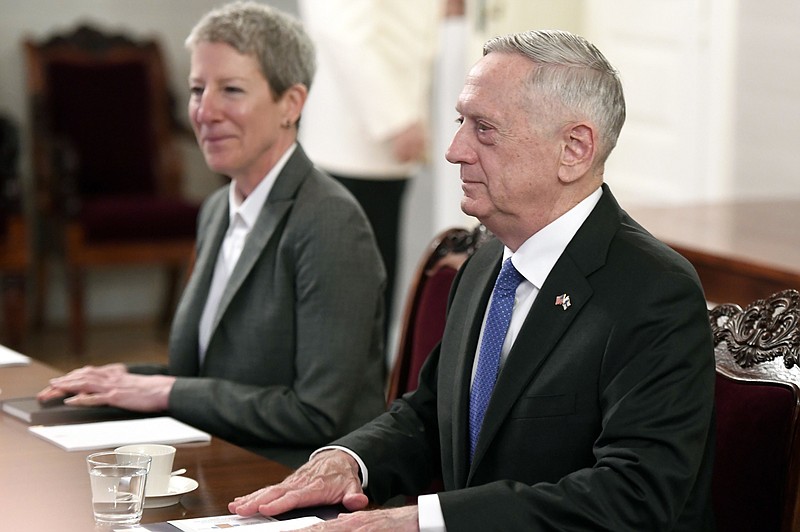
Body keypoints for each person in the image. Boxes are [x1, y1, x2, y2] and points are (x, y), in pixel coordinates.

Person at [227, 29, 716, 530]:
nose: (455, 150)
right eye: (461, 121)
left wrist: (423, 520)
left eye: (484, 128)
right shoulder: (486, 261)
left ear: (574, 148)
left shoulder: (654, 291)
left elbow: (634, 495)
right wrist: (350, 461)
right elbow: (430, 413)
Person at [36, 1, 387, 469]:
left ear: (291, 103)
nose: (205, 111)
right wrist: (120, 378)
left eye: (232, 90)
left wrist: (163, 389)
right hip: (214, 457)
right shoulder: (217, 210)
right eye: (198, 89)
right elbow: (207, 379)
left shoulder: (330, 223)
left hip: (290, 477)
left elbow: (318, 414)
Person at [297, 0, 440, 340]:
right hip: (353, 144)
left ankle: (368, 387)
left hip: (374, 149)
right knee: (349, 294)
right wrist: (396, 118)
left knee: (374, 287)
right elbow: (341, 29)